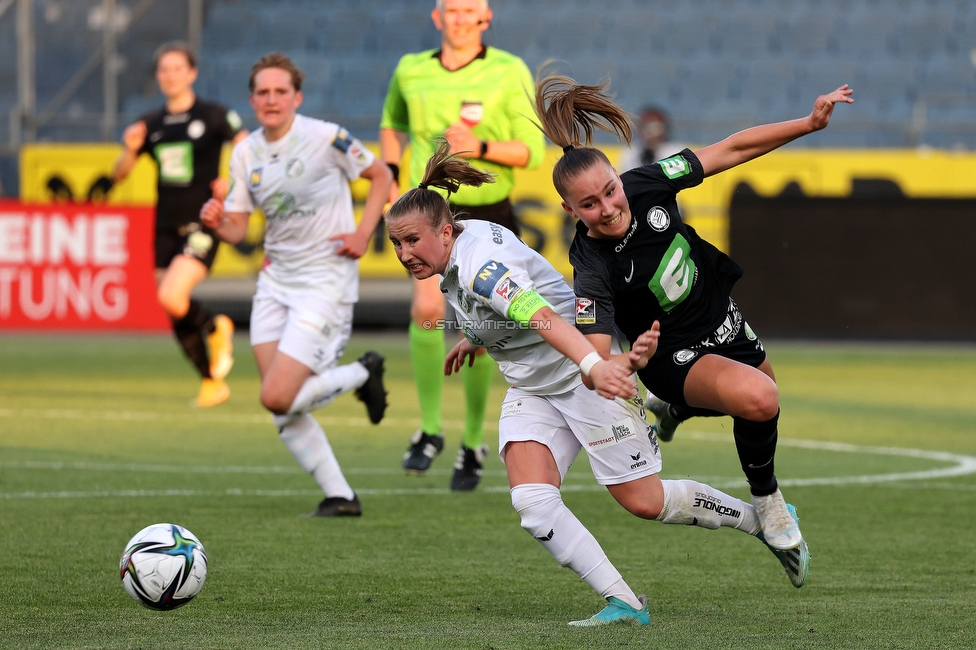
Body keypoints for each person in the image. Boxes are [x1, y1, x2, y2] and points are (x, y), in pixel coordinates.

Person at [384, 141, 810, 627]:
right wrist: (477, 338)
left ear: (443, 230)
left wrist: (595, 365)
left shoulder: (483, 269)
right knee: (533, 503)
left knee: (645, 502)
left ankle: (760, 520)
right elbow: (508, 309)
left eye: (412, 241)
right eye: (397, 243)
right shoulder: (468, 236)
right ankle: (625, 602)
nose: (404, 254)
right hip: (533, 385)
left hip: (580, 377)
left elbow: (542, 315)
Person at [534, 73, 853, 553]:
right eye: (589, 204)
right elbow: (595, 356)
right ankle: (767, 501)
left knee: (765, 397)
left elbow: (729, 149)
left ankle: (676, 409)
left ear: (618, 179)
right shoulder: (591, 265)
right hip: (670, 355)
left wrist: (807, 124)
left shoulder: (644, 184)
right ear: (568, 209)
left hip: (719, 314)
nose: (607, 207)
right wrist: (625, 365)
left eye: (609, 191)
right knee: (761, 399)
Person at [200, 52, 393, 517]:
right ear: (252, 100)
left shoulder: (326, 137)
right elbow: (237, 229)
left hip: (325, 282)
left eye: (279, 91)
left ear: (296, 97)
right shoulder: (245, 151)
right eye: (262, 92)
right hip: (275, 282)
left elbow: (382, 174)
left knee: (277, 396)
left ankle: (363, 372)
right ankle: (340, 496)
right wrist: (216, 220)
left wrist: (365, 232)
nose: (271, 99)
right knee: (281, 405)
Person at [379, 0, 545, 491]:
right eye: (451, 8)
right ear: (437, 17)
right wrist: (392, 181)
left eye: (469, 9)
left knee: (483, 326)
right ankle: (431, 428)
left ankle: (472, 440)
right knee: (426, 313)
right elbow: (391, 123)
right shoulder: (410, 70)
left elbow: (531, 151)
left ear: (485, 17)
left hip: (487, 211)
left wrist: (481, 148)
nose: (459, 16)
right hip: (427, 209)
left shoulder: (508, 70)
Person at [113, 42, 248, 407]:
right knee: (173, 306)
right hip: (164, 227)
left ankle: (214, 326)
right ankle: (210, 381)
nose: (170, 75)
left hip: (203, 221)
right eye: (163, 70)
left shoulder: (214, 114)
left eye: (177, 68)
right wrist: (129, 149)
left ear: (192, 73)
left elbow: (249, 147)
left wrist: (232, 182)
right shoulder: (150, 124)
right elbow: (119, 174)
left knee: (171, 295)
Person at [618, 106, 687, 173]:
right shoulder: (631, 152)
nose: (650, 132)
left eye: (655, 127)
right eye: (646, 126)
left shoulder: (675, 152)